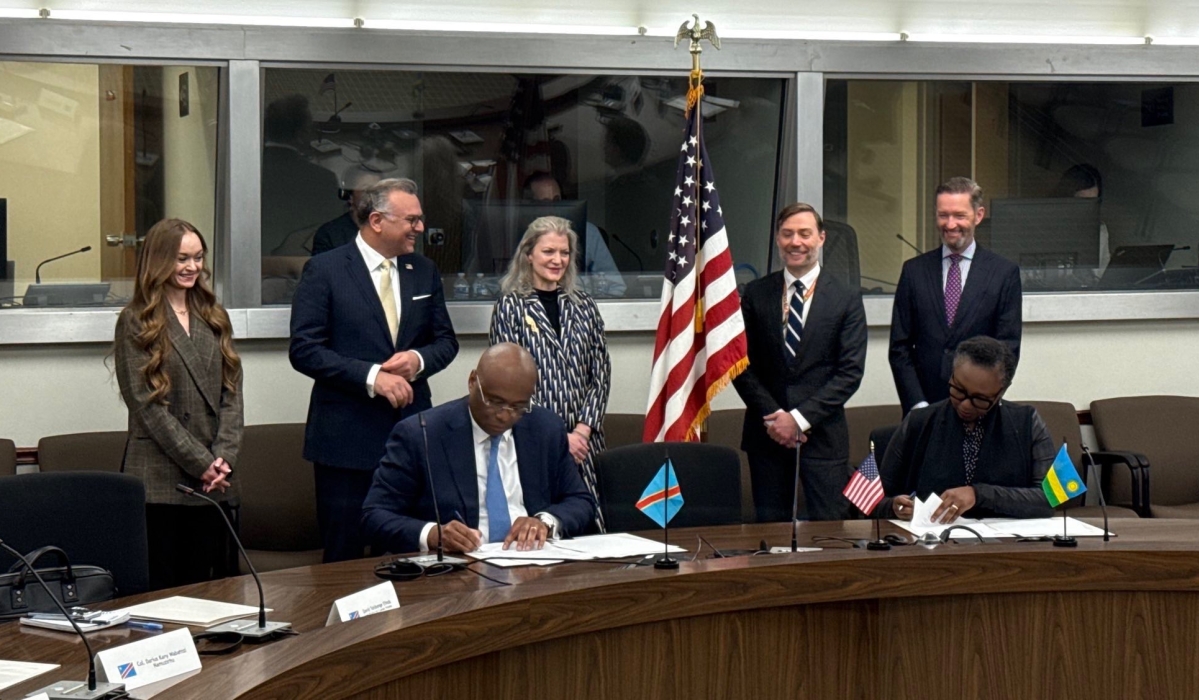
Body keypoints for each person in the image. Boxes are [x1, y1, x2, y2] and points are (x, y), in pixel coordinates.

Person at [290, 177, 459, 562]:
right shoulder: (325, 269)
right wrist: (372, 376)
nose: (420, 228)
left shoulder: (424, 270)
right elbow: (304, 350)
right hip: (344, 443)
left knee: (408, 557)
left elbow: (446, 342)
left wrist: (418, 361)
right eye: (411, 220)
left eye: (420, 219)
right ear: (378, 220)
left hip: (410, 440)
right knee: (344, 559)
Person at [361, 343, 597, 554]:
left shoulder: (545, 428)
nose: (505, 415)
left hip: (532, 564)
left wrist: (544, 521)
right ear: (473, 381)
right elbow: (375, 516)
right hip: (458, 571)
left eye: (518, 406)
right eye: (494, 401)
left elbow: (580, 501)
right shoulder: (420, 434)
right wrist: (433, 534)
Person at [113, 218, 242, 590]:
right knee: (164, 592)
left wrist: (224, 457)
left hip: (214, 481)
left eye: (198, 258)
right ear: (159, 260)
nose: (191, 267)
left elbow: (232, 392)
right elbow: (147, 406)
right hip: (160, 479)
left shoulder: (213, 315)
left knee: (207, 589)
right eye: (181, 258)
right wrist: (203, 462)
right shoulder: (136, 320)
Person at [732, 203, 867, 522]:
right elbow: (739, 364)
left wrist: (799, 419)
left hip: (823, 437)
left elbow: (849, 373)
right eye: (787, 234)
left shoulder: (845, 297)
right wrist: (775, 417)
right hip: (767, 437)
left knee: (830, 532)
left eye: (805, 234)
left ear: (821, 238)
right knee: (770, 535)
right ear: (778, 239)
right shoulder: (755, 293)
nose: (796, 242)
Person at [488, 216, 611, 531]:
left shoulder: (583, 305)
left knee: (590, 526)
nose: (558, 260)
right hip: (535, 440)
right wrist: (559, 439)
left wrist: (582, 432)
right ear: (528, 254)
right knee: (541, 528)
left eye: (564, 252)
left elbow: (601, 373)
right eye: (548, 252)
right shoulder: (510, 306)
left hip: (586, 443)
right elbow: (505, 381)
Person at [881, 336, 1055, 523]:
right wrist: (893, 507)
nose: (965, 405)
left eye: (980, 399)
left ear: (1002, 391)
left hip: (1006, 543)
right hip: (930, 542)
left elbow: (1049, 499)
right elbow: (873, 501)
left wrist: (979, 494)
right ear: (952, 375)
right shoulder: (918, 422)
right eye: (959, 390)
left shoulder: (1027, 423)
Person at [889, 177, 1022, 414]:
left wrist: (979, 401)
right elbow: (900, 347)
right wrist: (917, 405)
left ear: (978, 215)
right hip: (923, 409)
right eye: (943, 215)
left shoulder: (1003, 273)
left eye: (959, 216)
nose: (950, 224)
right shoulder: (913, 271)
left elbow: (1008, 348)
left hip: (980, 410)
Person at [260, 95, 343, 256]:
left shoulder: (250, 173)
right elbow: (333, 235)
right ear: (302, 133)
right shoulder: (323, 179)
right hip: (301, 260)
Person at [525, 172, 627, 297]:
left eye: (557, 200)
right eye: (546, 202)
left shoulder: (589, 232)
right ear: (529, 205)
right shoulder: (512, 234)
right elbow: (495, 288)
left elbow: (616, 286)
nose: (554, 207)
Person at [311, 166, 382, 256]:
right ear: (350, 196)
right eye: (367, 189)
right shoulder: (329, 234)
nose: (373, 195)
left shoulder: (393, 228)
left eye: (378, 190)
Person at [1055, 163, 1111, 275]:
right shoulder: (1043, 227)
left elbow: (1104, 276)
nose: (1087, 208)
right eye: (1082, 201)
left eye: (1092, 202)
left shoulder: (1100, 231)